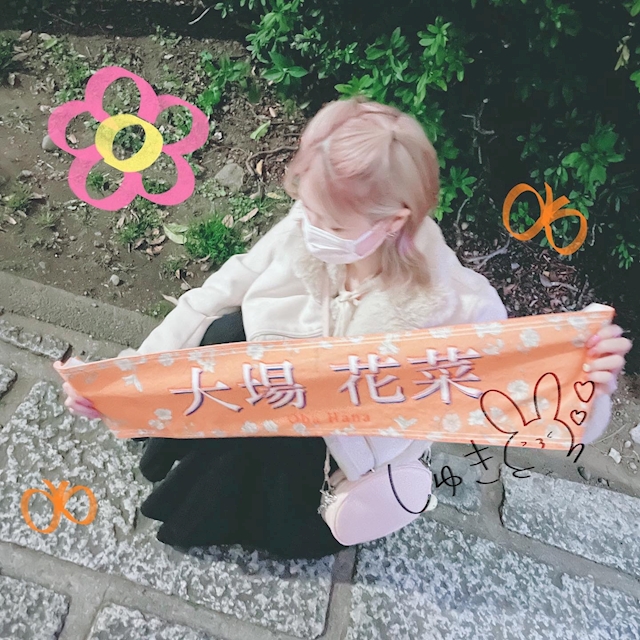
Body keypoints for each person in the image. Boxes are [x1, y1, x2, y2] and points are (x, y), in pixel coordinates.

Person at [60, 96, 632, 560]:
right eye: (305, 207)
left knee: (286, 470)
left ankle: (273, 518)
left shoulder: (455, 304)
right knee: (226, 332)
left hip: (329, 452)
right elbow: (212, 297)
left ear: (394, 221)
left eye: (329, 222)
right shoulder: (305, 227)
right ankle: (190, 464)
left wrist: (589, 384)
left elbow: (523, 399)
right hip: (259, 395)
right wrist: (122, 385)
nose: (308, 227)